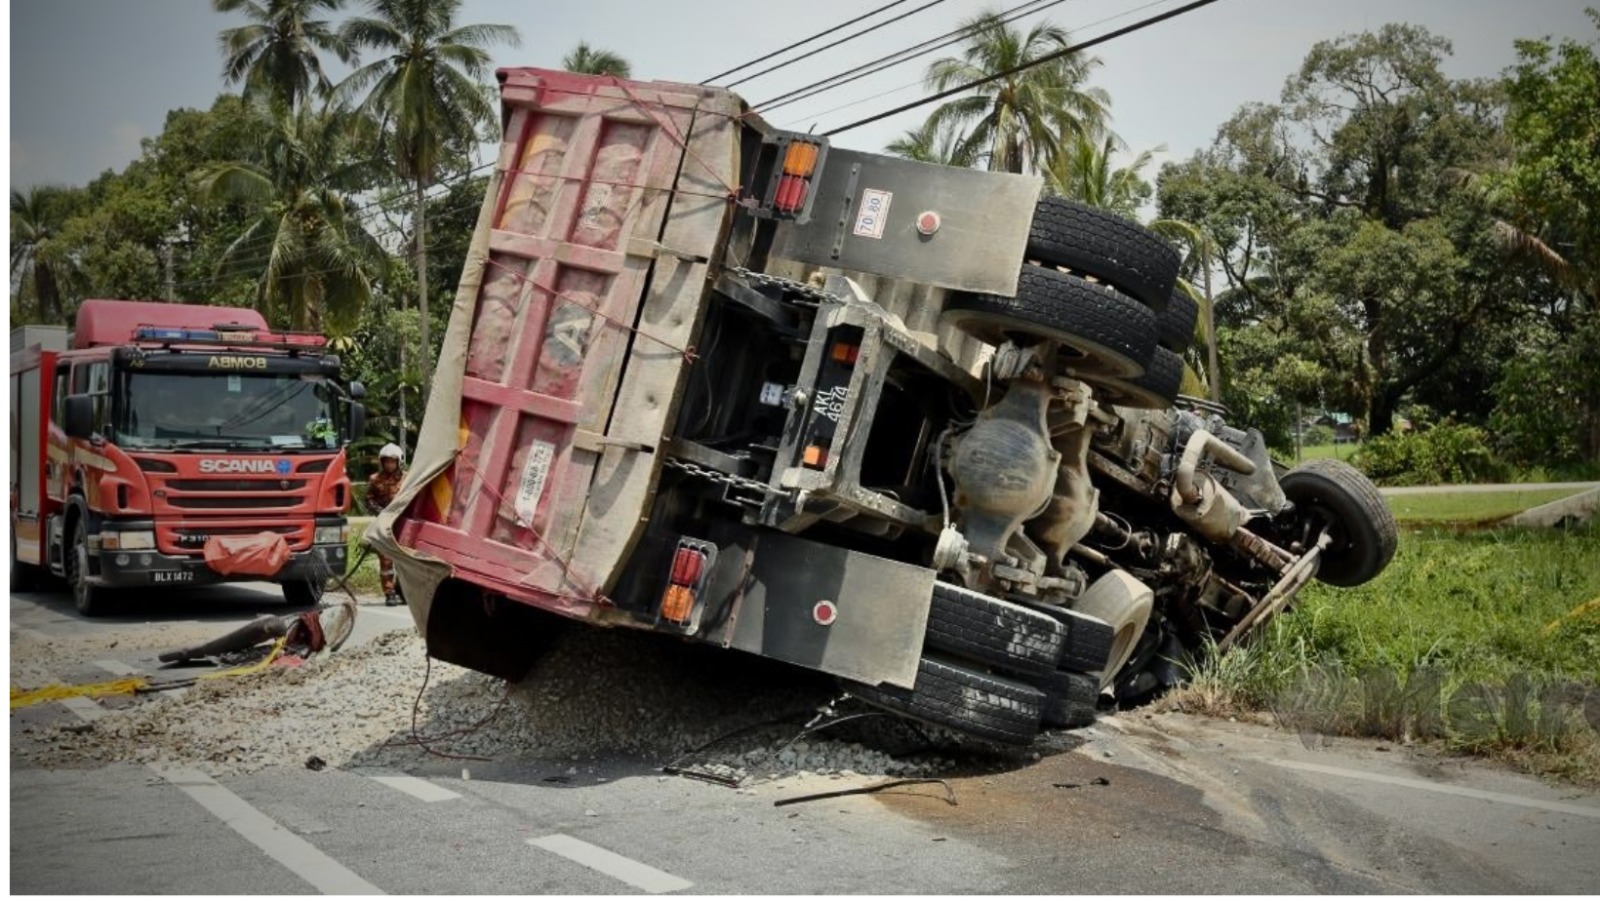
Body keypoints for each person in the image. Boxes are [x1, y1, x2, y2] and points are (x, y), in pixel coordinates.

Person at [367, 443, 406, 606]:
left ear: (399, 462)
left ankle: (402, 592)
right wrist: (381, 512)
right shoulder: (375, 479)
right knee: (386, 561)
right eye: (387, 461)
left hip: (402, 525)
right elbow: (369, 501)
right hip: (384, 526)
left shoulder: (407, 479)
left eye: (392, 461)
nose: (389, 465)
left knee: (405, 561)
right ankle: (389, 593)